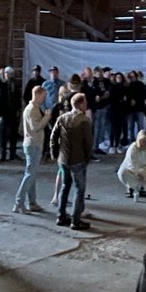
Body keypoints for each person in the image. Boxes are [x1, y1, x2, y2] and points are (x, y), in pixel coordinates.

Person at [51, 92, 93, 230]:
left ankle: (61, 215)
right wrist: (88, 157)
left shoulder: (62, 118)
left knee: (65, 186)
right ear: (80, 104)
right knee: (79, 189)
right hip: (78, 159)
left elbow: (53, 137)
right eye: (85, 102)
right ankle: (76, 220)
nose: (86, 105)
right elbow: (88, 142)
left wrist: (54, 154)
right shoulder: (84, 121)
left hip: (63, 159)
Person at [14, 85, 52, 214]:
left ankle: (32, 202)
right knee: (29, 174)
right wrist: (47, 117)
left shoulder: (35, 108)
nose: (44, 98)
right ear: (38, 95)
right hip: (33, 144)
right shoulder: (31, 110)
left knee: (32, 175)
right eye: (44, 95)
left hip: (35, 144)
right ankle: (19, 202)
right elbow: (36, 127)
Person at [119, 130, 146, 202]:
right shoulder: (132, 148)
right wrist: (138, 172)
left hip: (144, 170)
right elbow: (131, 164)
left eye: (145, 141)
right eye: (142, 141)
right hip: (132, 170)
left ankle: (143, 188)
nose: (144, 143)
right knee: (123, 172)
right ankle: (132, 187)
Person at [0, 67, 21, 162]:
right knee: (3, 135)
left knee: (13, 134)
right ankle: (3, 154)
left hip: (13, 112)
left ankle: (12, 154)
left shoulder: (15, 84)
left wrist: (18, 110)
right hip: (4, 112)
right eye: (5, 73)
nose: (7, 75)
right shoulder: (1, 84)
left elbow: (17, 97)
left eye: (9, 73)